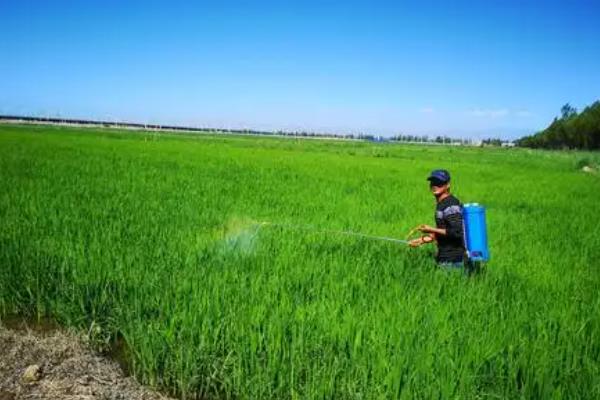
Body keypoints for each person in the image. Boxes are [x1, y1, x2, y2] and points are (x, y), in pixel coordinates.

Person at [409, 169, 466, 269]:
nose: (435, 185)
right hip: (444, 257)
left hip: (452, 260)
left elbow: (456, 232)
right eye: (433, 182)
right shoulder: (442, 203)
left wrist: (431, 229)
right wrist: (423, 240)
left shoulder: (451, 204)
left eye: (439, 183)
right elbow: (445, 230)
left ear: (447, 185)